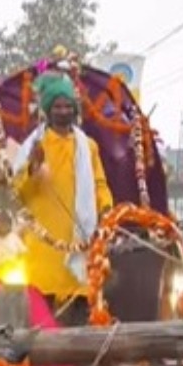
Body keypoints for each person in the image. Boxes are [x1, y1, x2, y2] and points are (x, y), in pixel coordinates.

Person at [12, 71, 113, 319]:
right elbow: (18, 191)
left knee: (80, 308)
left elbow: (100, 184)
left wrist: (107, 209)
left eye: (68, 106)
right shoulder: (34, 146)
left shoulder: (87, 146)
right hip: (43, 248)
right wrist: (34, 168)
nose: (63, 111)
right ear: (48, 110)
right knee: (41, 314)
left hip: (80, 241)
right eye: (57, 106)